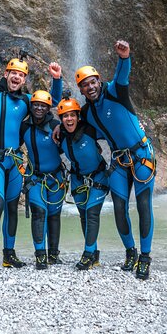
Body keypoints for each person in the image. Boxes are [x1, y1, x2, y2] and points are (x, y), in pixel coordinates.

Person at [73, 40, 157, 280]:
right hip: (119, 161)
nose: (90, 87)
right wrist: (59, 129)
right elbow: (75, 127)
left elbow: (122, 76)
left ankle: (145, 257)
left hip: (141, 156)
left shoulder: (115, 92)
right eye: (84, 85)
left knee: (143, 206)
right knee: (119, 208)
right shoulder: (87, 113)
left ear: (99, 81)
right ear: (80, 89)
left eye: (92, 82)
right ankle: (130, 253)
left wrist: (124, 57)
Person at [0, 58, 63, 274]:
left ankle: (8, 254)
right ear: (5, 74)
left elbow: (53, 101)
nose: (16, 77)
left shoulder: (26, 100)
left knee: (12, 208)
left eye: (21, 75)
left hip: (13, 161)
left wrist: (56, 79)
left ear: (24, 79)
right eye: (13, 73)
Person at [57, 97, 109, 270]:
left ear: (78, 116)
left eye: (72, 115)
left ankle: (87, 255)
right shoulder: (61, 135)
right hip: (78, 180)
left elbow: (113, 131)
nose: (69, 119)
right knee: (84, 216)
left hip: (98, 177)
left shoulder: (90, 130)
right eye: (65, 116)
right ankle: (93, 253)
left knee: (92, 213)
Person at [20, 88, 67, 270]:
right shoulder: (24, 126)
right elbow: (11, 143)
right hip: (35, 178)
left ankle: (53, 254)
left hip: (56, 178)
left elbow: (71, 140)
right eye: (36, 105)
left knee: (54, 216)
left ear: (49, 108)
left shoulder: (56, 124)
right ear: (31, 106)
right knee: (39, 213)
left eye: (43, 106)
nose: (39, 108)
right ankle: (40, 255)